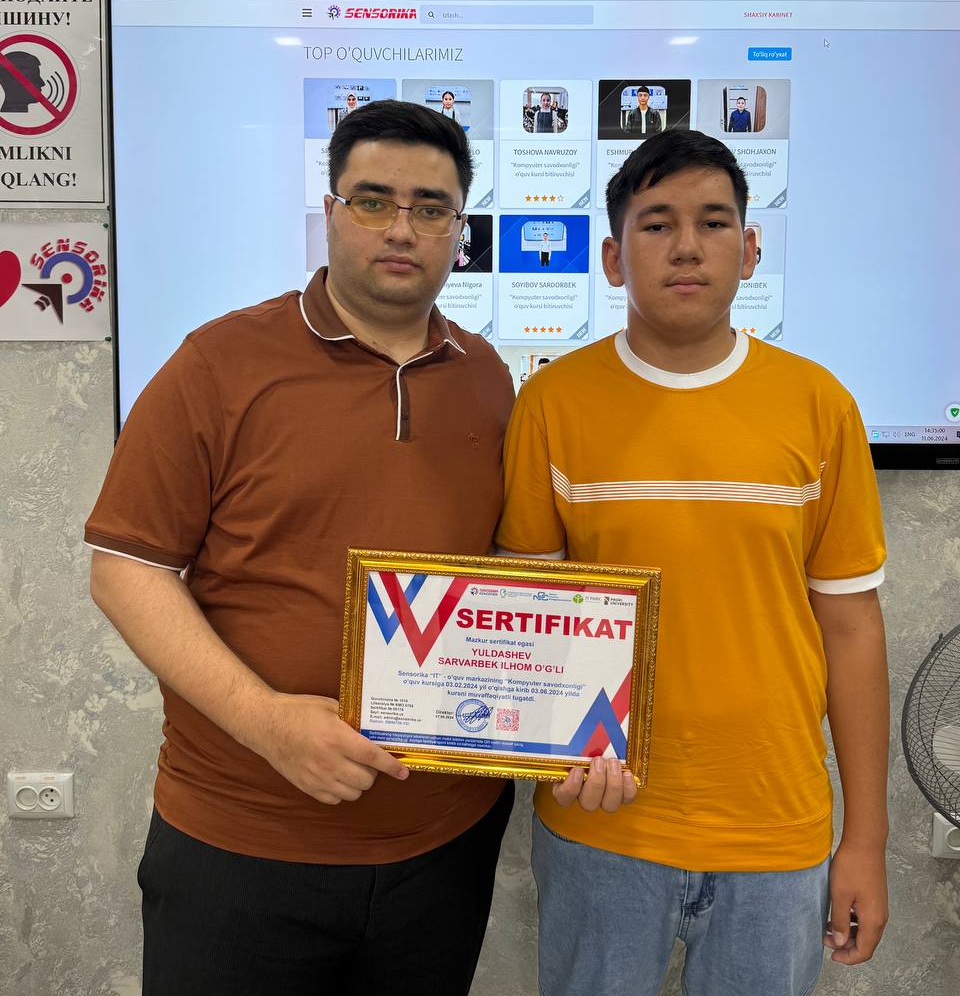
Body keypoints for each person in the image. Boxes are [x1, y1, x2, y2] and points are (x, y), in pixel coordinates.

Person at [86, 100, 516, 996]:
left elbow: (505, 582)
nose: (402, 229)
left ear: (459, 229)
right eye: (374, 201)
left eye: (431, 208)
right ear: (330, 212)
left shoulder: (486, 377)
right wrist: (268, 723)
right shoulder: (219, 363)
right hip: (242, 840)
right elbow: (127, 569)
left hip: (444, 843)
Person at [497, 128, 889, 996]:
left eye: (714, 223)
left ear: (750, 251)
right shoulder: (552, 403)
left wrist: (865, 840)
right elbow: (529, 618)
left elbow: (852, 630)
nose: (686, 246)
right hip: (602, 831)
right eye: (656, 224)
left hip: (776, 833)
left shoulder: (820, 405)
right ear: (612, 257)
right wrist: (555, 751)